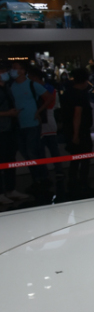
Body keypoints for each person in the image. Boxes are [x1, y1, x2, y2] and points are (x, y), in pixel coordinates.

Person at [9, 60, 50, 191]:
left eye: (15, 68)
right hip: (19, 124)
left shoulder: (32, 84)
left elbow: (48, 97)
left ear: (22, 71)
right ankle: (38, 178)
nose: (12, 70)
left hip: (32, 123)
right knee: (26, 152)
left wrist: (38, 112)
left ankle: (40, 178)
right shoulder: (11, 86)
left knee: (31, 151)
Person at [28, 67, 62, 180]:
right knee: (49, 149)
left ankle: (50, 173)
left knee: (48, 149)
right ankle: (54, 171)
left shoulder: (44, 89)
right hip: (45, 121)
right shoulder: (49, 88)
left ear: (34, 77)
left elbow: (51, 105)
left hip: (46, 121)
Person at [0, 60, 25, 204]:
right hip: (2, 129)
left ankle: (10, 189)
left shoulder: (7, 87)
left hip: (10, 128)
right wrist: (7, 113)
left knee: (10, 159)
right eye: (2, 71)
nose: (5, 73)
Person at [65, 68, 94, 193]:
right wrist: (76, 134)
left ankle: (73, 180)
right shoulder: (80, 95)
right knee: (84, 157)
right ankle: (82, 181)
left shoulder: (68, 92)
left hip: (71, 129)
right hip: (81, 131)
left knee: (75, 157)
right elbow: (78, 114)